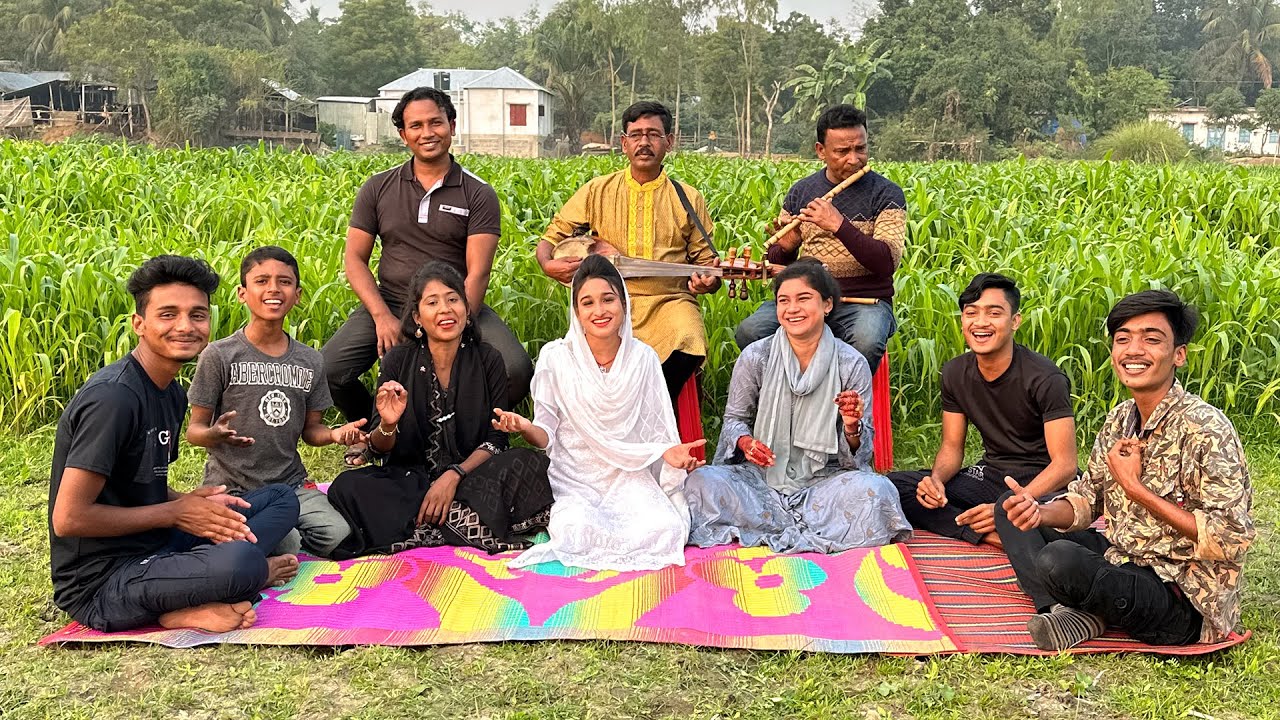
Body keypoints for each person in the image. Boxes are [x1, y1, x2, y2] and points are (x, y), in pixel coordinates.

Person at [48, 255, 300, 634]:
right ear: (139, 324)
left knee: (281, 498)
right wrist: (176, 513)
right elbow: (68, 519)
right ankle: (180, 605)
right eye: (168, 315)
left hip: (155, 541)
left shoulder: (170, 395)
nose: (185, 327)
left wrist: (187, 501)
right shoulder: (114, 399)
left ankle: (193, 582)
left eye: (197, 315)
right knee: (243, 563)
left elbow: (139, 481)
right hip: (104, 580)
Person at [996, 290, 1254, 650]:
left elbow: (1230, 539)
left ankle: (1083, 610)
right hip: (1123, 555)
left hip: (1180, 593)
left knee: (1059, 560)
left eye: (1151, 339)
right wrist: (1038, 512)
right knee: (1010, 509)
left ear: (1179, 354)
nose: (1134, 350)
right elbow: (1088, 500)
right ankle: (1062, 610)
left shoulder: (1206, 429)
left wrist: (1135, 489)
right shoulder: (1121, 418)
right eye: (1123, 339)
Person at [322, 86, 533, 455]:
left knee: (515, 368)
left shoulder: (477, 193)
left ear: (452, 125)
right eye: (415, 125)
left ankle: (472, 432)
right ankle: (375, 430)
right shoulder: (378, 188)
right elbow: (355, 259)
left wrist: (453, 320)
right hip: (391, 301)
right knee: (329, 369)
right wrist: (382, 317)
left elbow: (478, 272)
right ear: (403, 135)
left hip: (457, 302)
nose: (427, 132)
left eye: (436, 122)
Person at [326, 262, 553, 558]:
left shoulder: (489, 359)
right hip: (411, 479)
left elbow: (495, 441)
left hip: (473, 476)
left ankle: (427, 522)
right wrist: (388, 425)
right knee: (347, 487)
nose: (445, 309)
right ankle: (460, 521)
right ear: (418, 317)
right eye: (432, 302)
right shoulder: (397, 360)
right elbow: (381, 448)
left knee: (531, 463)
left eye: (453, 299)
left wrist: (453, 476)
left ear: (466, 309)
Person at [495, 254, 707, 571]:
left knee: (667, 528)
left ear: (624, 304)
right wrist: (525, 426)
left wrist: (669, 454)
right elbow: (546, 437)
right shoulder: (556, 358)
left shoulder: (644, 358)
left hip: (629, 476)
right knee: (575, 530)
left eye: (608, 299)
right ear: (577, 312)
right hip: (576, 479)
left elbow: (658, 434)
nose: (599, 311)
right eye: (588, 303)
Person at [685, 259, 910, 553]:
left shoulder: (850, 362)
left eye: (804, 298)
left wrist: (852, 426)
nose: (792, 309)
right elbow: (735, 420)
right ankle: (805, 525)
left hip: (825, 482)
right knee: (701, 482)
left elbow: (859, 457)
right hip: (760, 480)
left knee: (877, 492)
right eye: (783, 301)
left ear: (827, 304)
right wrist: (746, 442)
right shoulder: (756, 356)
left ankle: (771, 524)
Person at [535, 100, 721, 405]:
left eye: (653, 134)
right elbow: (551, 237)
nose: (644, 142)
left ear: (669, 142)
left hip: (669, 300)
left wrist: (708, 282)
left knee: (691, 337)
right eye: (636, 135)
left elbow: (706, 266)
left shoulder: (687, 198)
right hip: (609, 298)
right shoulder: (598, 190)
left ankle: (649, 410)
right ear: (624, 143)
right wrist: (547, 264)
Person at [187, 246, 366, 558]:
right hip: (233, 488)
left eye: (284, 282)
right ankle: (270, 535)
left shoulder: (310, 360)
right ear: (243, 293)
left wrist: (335, 435)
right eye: (261, 281)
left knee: (338, 535)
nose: (273, 289)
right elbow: (194, 431)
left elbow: (312, 431)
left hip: (290, 484)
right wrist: (212, 435)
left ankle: (271, 532)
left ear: (297, 295)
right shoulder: (219, 355)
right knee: (288, 544)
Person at [887, 274, 1078, 548]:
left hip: (1042, 483)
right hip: (991, 474)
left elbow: (1065, 465)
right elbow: (952, 447)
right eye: (971, 313)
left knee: (1052, 516)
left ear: (1015, 321)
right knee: (898, 488)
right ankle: (991, 535)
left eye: (994, 313)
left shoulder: (1045, 378)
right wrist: (936, 481)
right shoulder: (955, 372)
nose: (981, 322)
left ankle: (1004, 523)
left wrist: (1006, 507)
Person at [734, 105, 906, 373]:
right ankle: (786, 400)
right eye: (842, 152)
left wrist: (839, 225)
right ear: (820, 151)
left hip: (864, 303)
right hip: (806, 297)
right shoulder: (802, 191)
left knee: (867, 340)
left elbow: (886, 262)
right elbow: (779, 265)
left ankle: (843, 411)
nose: (854, 159)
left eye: (860, 149)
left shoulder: (887, 194)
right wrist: (787, 247)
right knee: (751, 331)